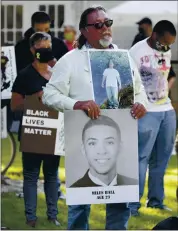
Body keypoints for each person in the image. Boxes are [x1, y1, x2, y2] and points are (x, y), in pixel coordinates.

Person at [42, 6, 148, 230]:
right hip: (83, 136)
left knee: (120, 202)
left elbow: (139, 91)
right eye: (98, 25)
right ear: (85, 30)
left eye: (107, 22)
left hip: (120, 136)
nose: (105, 28)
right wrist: (76, 104)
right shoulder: (70, 60)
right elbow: (49, 95)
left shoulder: (123, 58)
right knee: (80, 205)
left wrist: (141, 104)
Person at [15, 11, 66, 200]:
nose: (43, 35)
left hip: (54, 110)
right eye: (39, 31)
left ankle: (55, 192)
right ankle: (29, 193)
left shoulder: (58, 45)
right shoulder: (21, 47)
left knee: (52, 161)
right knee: (31, 160)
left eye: (46, 31)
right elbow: (16, 78)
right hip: (30, 107)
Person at [11, 32, 60, 227]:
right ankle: (30, 218)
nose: (46, 51)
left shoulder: (58, 75)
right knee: (31, 175)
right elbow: (15, 106)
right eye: (42, 47)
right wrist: (35, 99)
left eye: (49, 47)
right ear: (33, 50)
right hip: (33, 133)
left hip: (54, 133)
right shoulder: (24, 75)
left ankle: (52, 216)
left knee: (51, 175)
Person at [129, 20, 177, 216]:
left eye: (170, 45)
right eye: (164, 43)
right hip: (145, 112)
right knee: (141, 158)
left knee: (162, 159)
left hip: (166, 110)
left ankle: (156, 201)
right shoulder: (136, 52)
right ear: (154, 35)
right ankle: (132, 205)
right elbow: (127, 83)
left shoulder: (166, 50)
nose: (166, 48)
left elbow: (166, 77)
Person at [70, 115, 138, 187]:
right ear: (83, 149)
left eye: (109, 142)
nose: (102, 151)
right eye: (92, 143)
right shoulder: (75, 191)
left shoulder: (132, 186)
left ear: (120, 147)